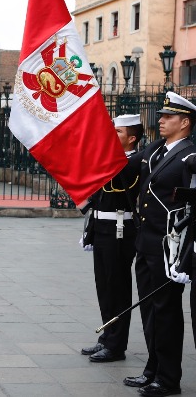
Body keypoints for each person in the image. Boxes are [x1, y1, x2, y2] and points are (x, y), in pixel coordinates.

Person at [123, 92, 196, 397]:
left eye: (168, 117)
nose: (161, 120)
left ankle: (168, 377)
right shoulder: (159, 150)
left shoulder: (190, 155)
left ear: (185, 122)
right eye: (161, 116)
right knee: (150, 311)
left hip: (169, 245)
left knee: (165, 311)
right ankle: (152, 367)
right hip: (146, 241)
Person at [80, 114, 143, 363]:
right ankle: (107, 337)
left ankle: (117, 345)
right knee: (104, 286)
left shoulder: (134, 162)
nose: (112, 135)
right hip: (102, 228)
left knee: (117, 288)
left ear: (132, 138)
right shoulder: (110, 160)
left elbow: (118, 182)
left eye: (118, 132)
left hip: (120, 230)